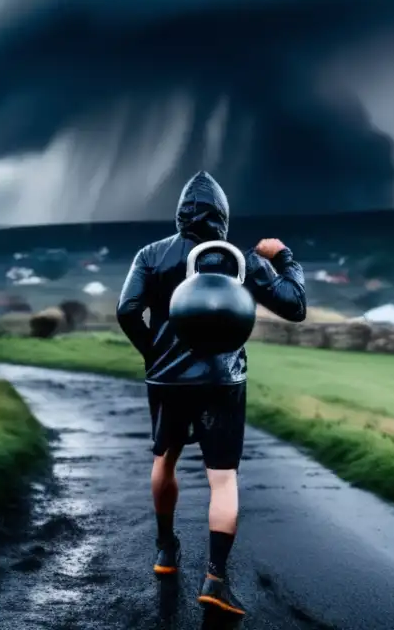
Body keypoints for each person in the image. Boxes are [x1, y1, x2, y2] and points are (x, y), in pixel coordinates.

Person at [116, 171, 307, 617]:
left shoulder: (151, 254)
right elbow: (295, 307)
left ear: (180, 212)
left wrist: (153, 356)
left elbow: (127, 311)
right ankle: (215, 580)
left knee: (164, 460)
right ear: (223, 215)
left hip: (167, 381)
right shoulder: (242, 260)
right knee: (223, 478)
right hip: (222, 383)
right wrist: (284, 258)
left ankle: (166, 552)